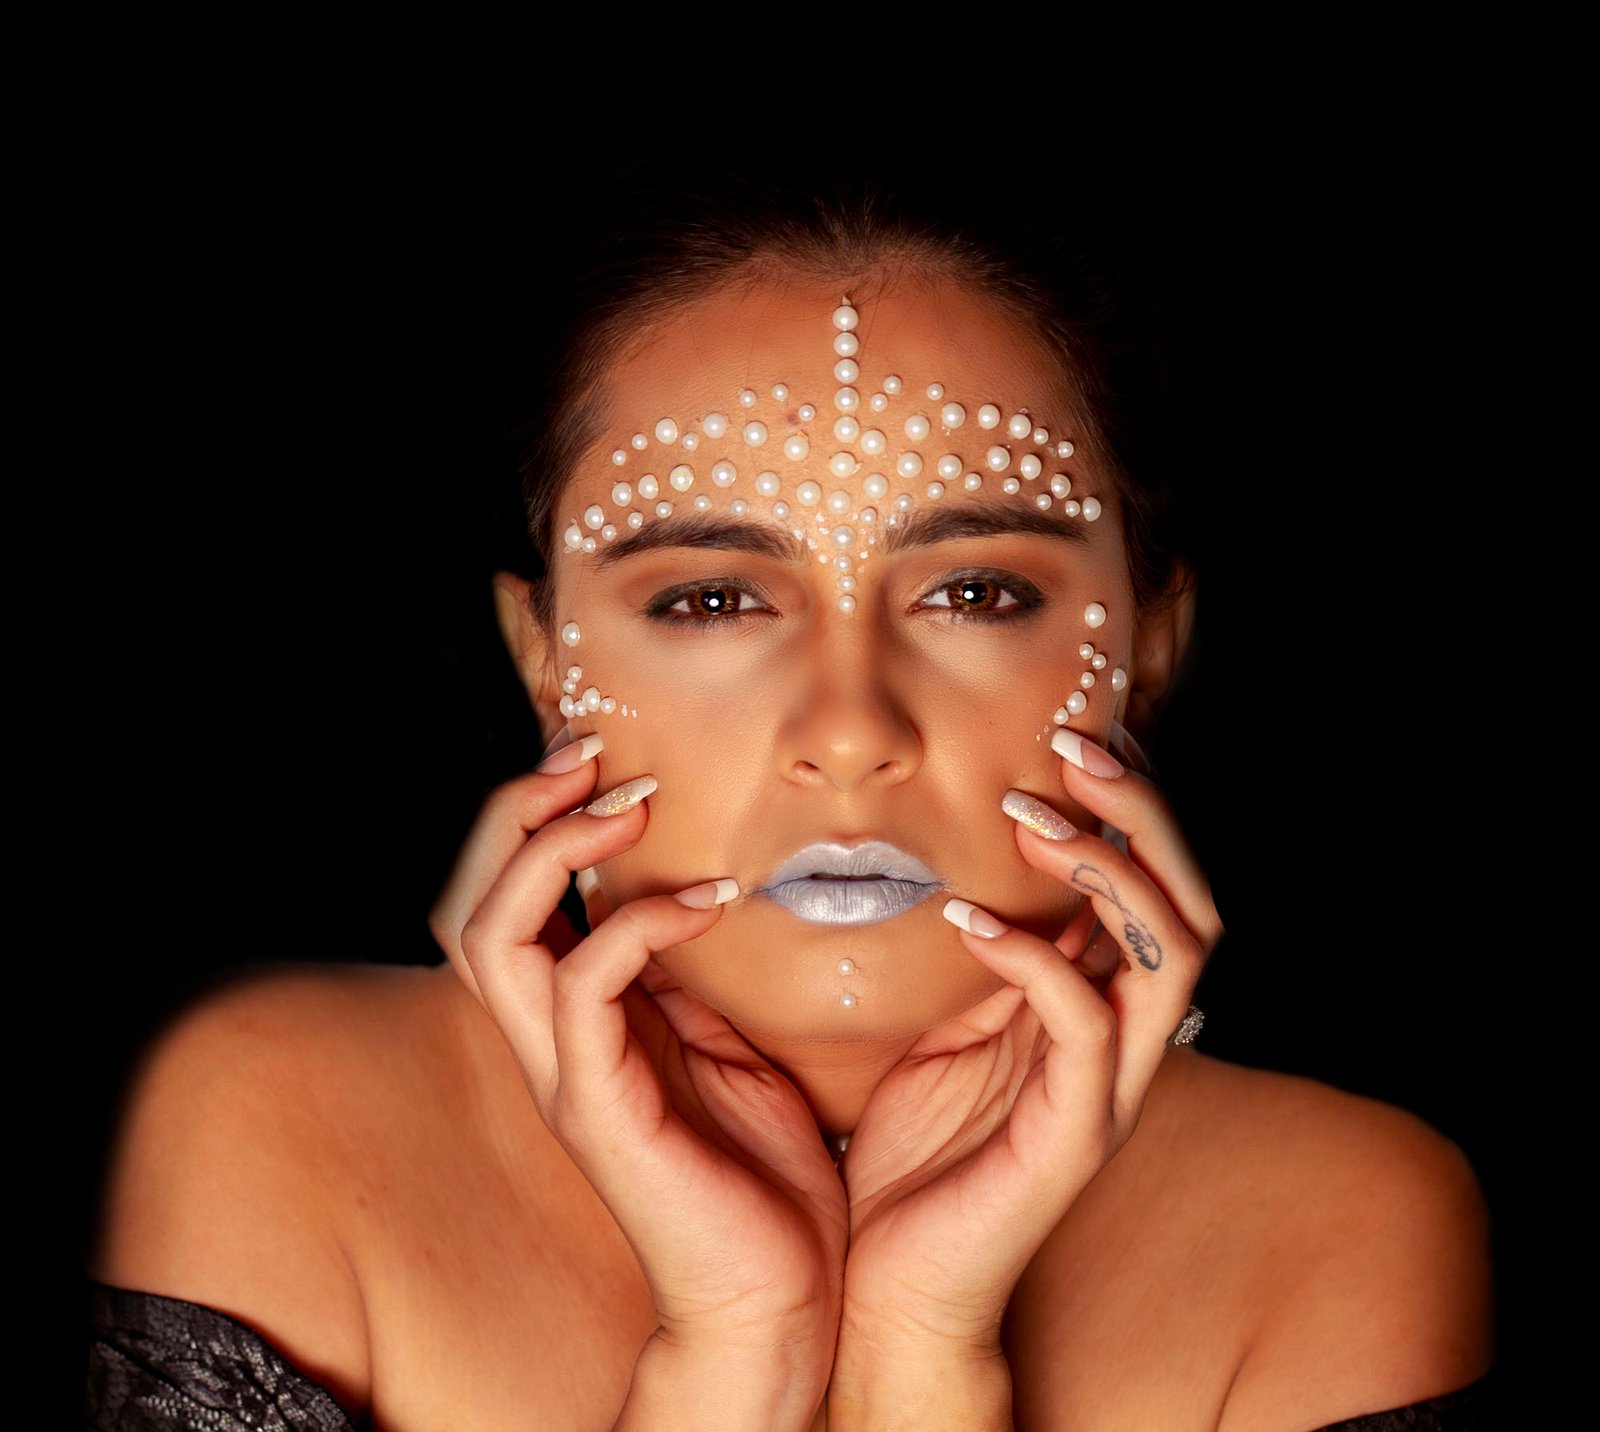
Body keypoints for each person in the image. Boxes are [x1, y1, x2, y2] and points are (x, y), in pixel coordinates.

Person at [86, 157, 1495, 1429]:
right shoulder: (285, 1124)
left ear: (1152, 645)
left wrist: (923, 1353)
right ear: (544, 659)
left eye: (974, 592)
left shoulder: (1342, 1227)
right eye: (710, 599)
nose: (848, 732)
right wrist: (732, 1347)